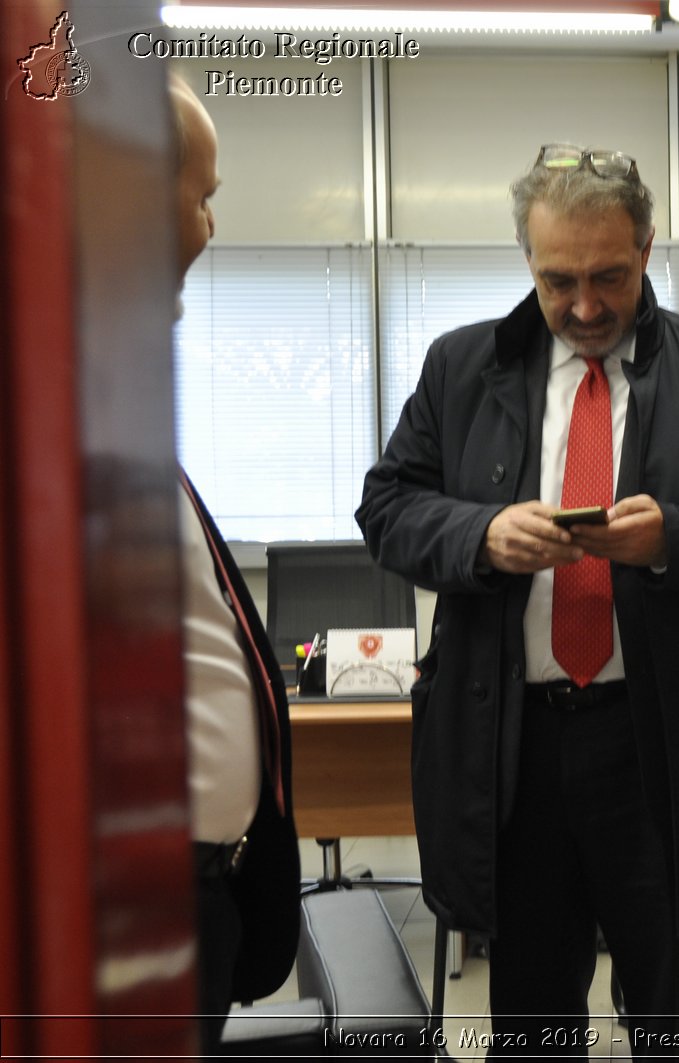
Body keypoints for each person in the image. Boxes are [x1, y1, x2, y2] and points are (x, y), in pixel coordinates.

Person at [356, 143, 679, 1057]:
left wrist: (674, 538)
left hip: (663, 746)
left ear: (648, 247)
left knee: (674, 1018)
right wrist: (480, 536)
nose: (584, 305)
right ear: (527, 262)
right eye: (556, 279)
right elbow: (387, 506)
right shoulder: (461, 368)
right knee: (531, 1022)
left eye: (609, 275)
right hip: (513, 751)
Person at [170, 75, 301, 1055]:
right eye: (202, 195)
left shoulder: (104, 387)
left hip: (197, 888)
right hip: (136, 898)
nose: (212, 229)